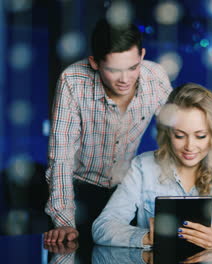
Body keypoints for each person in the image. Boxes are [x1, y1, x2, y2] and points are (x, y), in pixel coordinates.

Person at [43, 19, 172, 243]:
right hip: (79, 191)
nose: (125, 79)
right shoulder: (73, 81)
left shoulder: (155, 77)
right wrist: (64, 221)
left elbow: (178, 132)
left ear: (141, 56)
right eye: (113, 70)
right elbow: (60, 158)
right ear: (94, 62)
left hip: (126, 192)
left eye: (133, 67)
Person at [92, 83, 212, 249]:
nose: (189, 146)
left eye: (200, 136)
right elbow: (102, 228)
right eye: (179, 136)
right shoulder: (143, 167)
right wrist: (147, 236)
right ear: (167, 133)